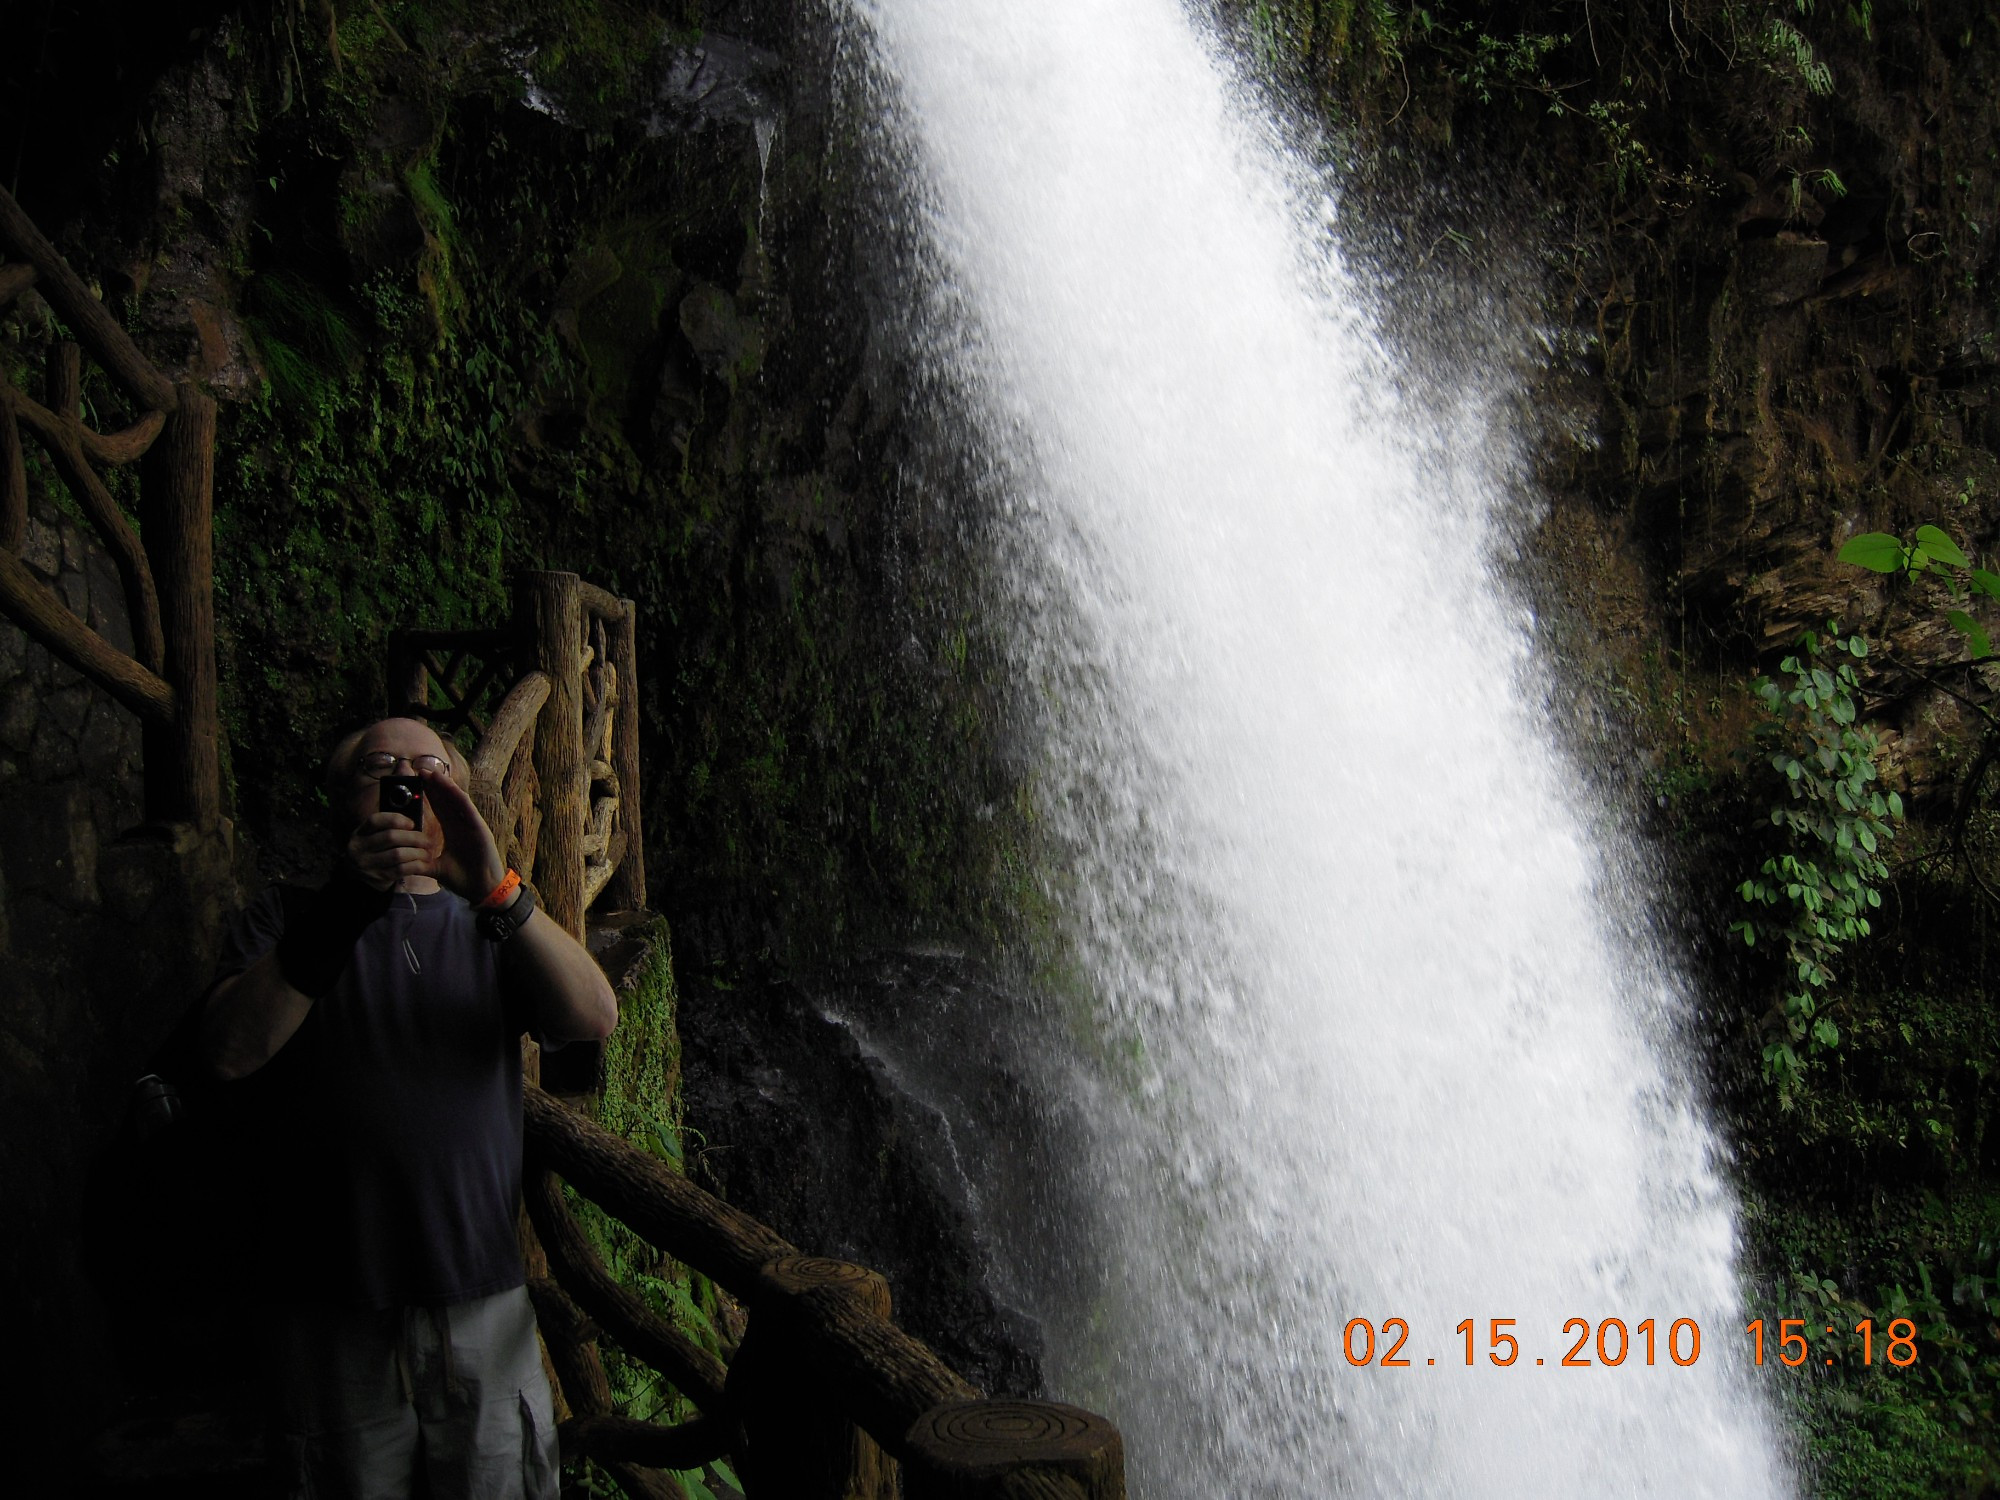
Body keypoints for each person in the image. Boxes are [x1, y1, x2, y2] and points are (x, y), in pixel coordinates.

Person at [200, 714, 619, 1499]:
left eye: (434, 768)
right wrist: (349, 904)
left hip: (480, 1296)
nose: (410, 779)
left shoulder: (491, 922)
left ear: (461, 798)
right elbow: (227, 1051)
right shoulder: (287, 917)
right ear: (344, 801)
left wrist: (499, 888)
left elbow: (593, 1015)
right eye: (383, 766)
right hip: (327, 1305)